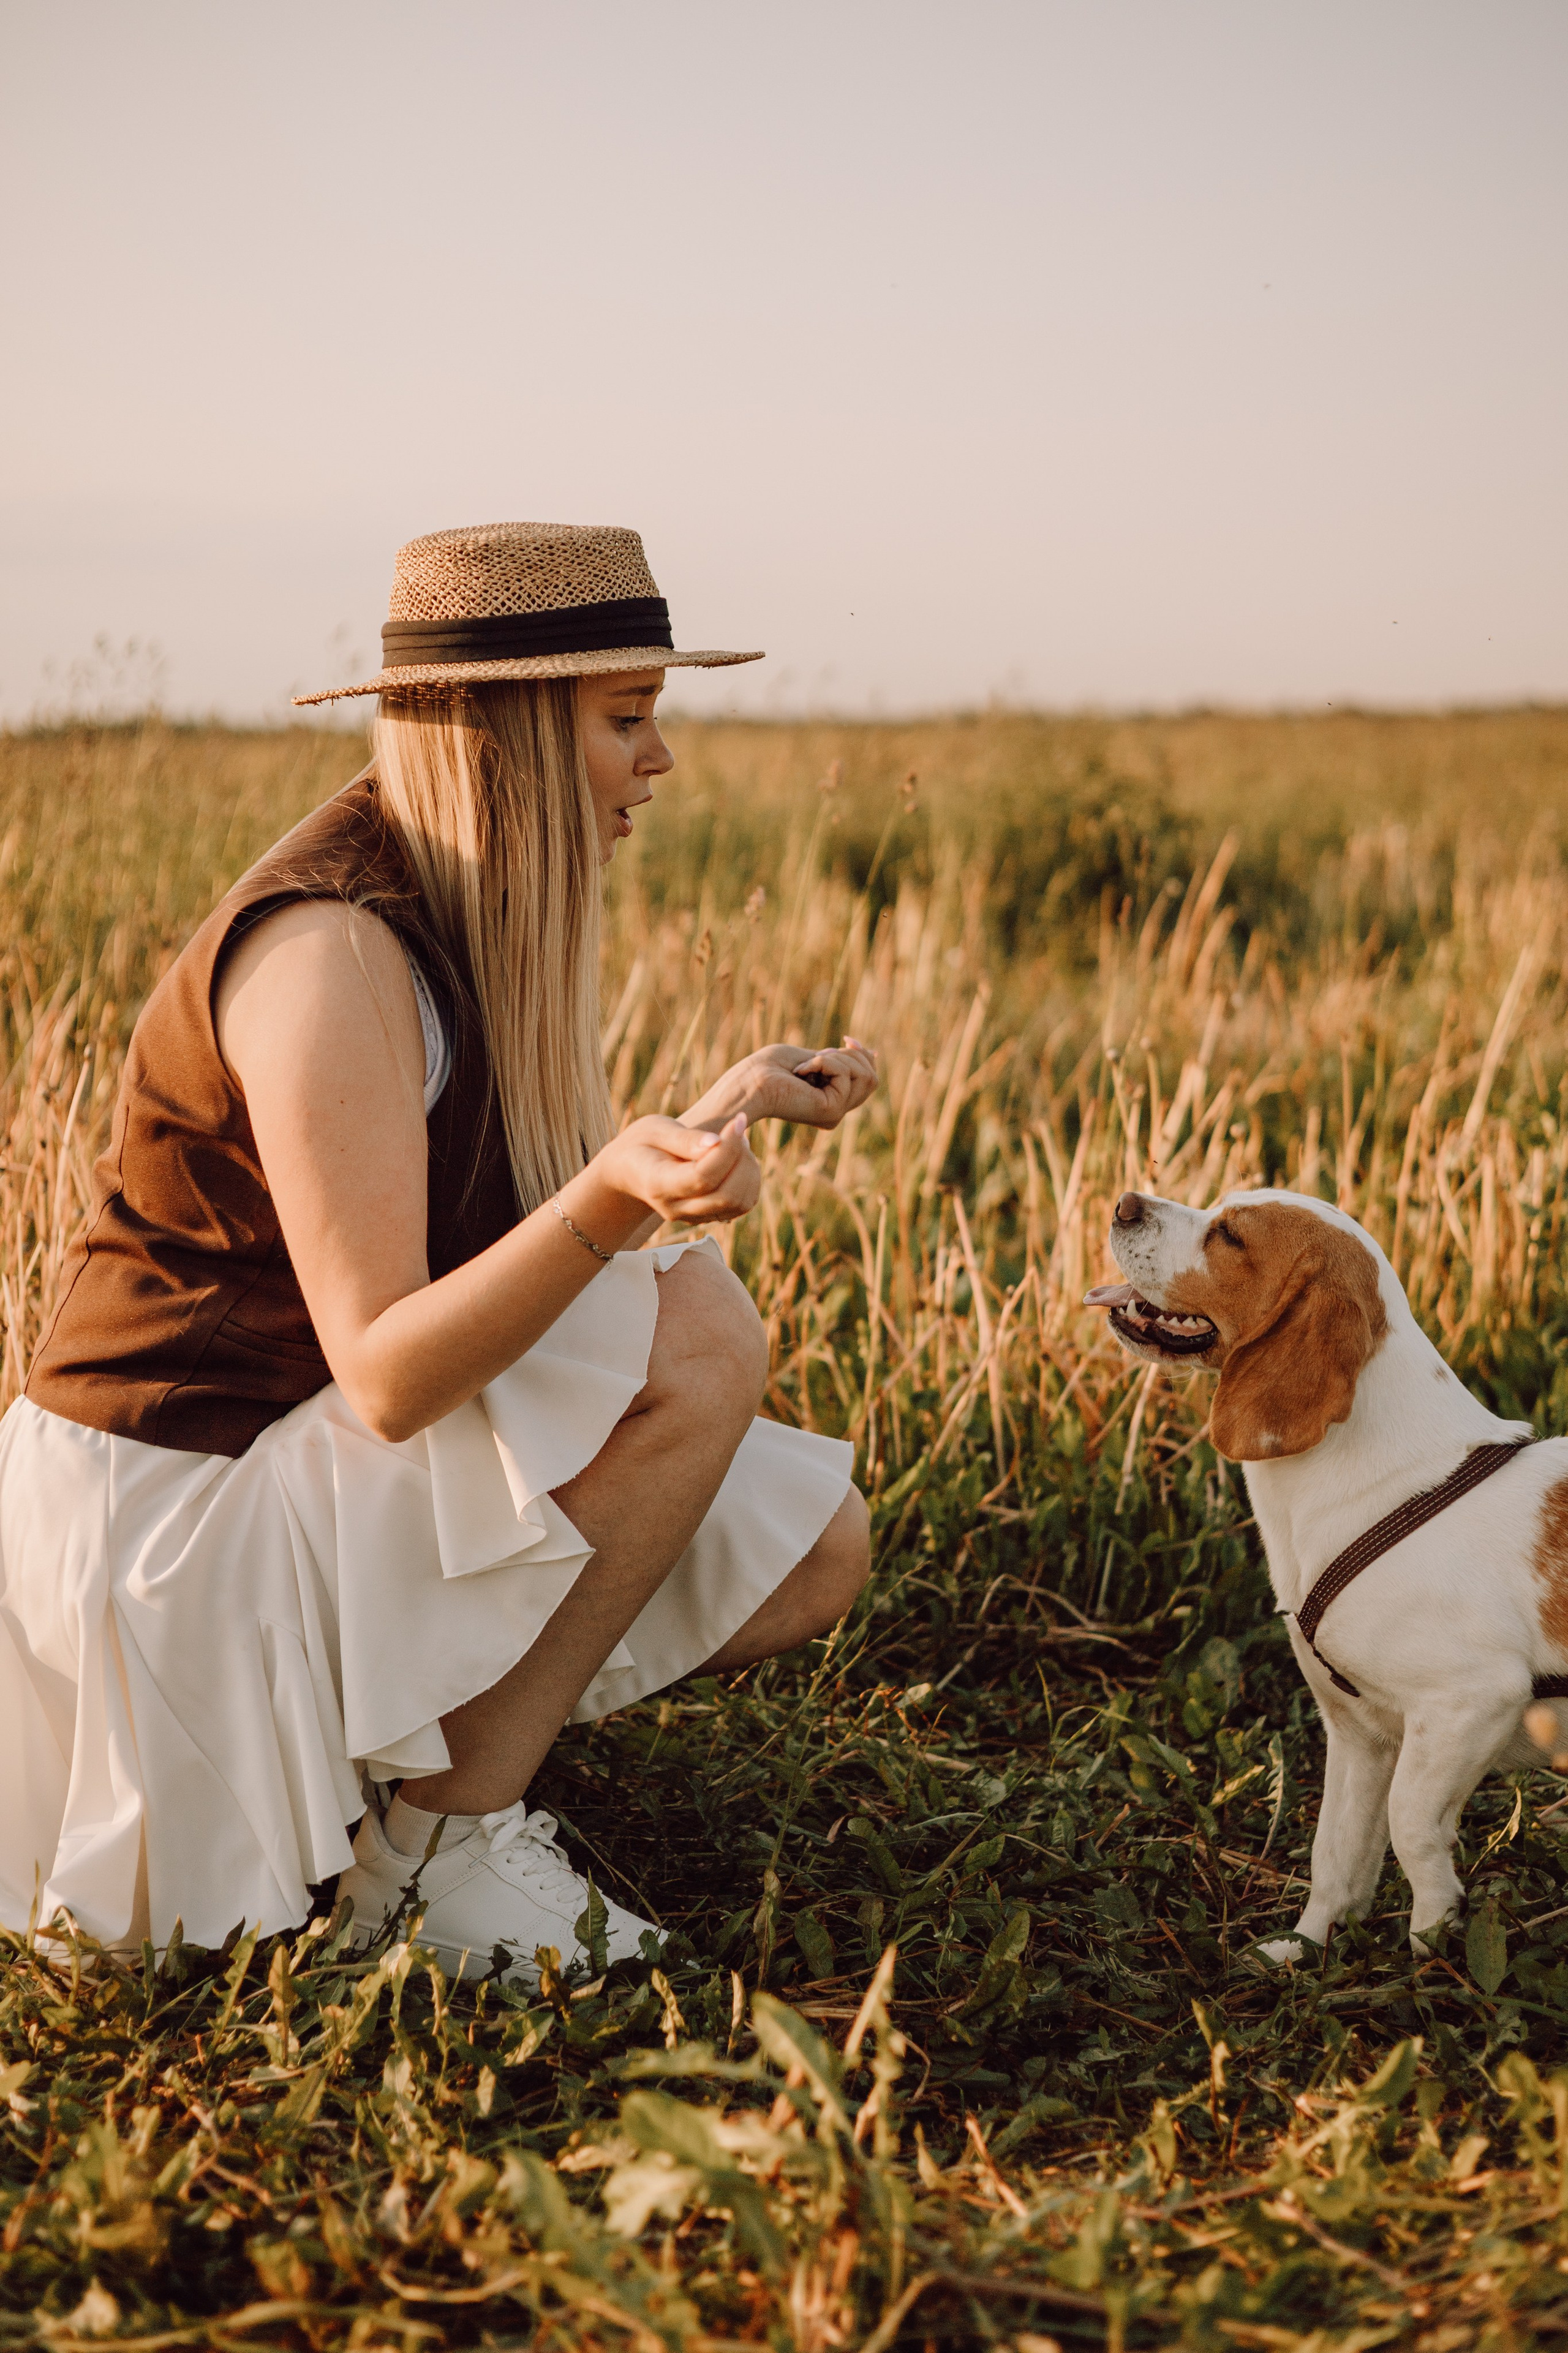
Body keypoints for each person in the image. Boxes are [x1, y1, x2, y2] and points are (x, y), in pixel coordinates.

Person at [0, 521, 876, 1978]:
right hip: (174, 1513)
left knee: (807, 1548)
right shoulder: (332, 948)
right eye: (628, 718)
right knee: (697, 1333)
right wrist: (617, 1200)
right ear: (511, 728)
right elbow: (395, 1373)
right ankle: (428, 1858)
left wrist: (712, 1117)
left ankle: (409, 1790)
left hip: (286, 1453)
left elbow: (489, 1245)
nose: (660, 761)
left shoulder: (455, 906)